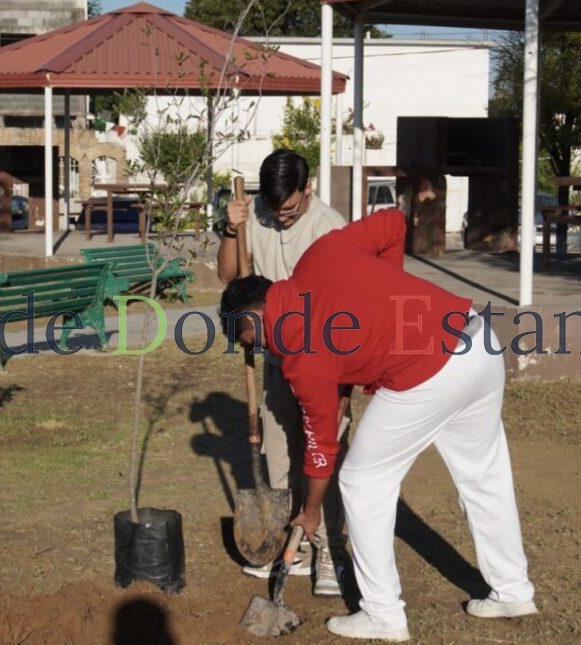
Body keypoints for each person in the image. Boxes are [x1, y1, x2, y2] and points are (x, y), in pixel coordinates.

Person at [219, 209, 537, 642]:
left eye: (248, 341)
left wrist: (310, 512)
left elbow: (321, 449)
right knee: (483, 475)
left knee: (362, 482)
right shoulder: (320, 253)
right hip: (479, 342)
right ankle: (512, 589)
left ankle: (383, 613)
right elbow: (392, 223)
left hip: (428, 372)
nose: (259, 350)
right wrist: (393, 299)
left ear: (251, 318)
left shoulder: (300, 355)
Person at [217, 148, 349, 596]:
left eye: (290, 210)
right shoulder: (254, 214)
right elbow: (230, 277)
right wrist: (230, 230)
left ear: (306, 189)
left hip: (325, 361)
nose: (282, 219)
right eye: (274, 211)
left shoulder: (331, 228)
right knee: (280, 458)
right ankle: (293, 547)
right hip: (276, 360)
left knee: (323, 456)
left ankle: (330, 551)